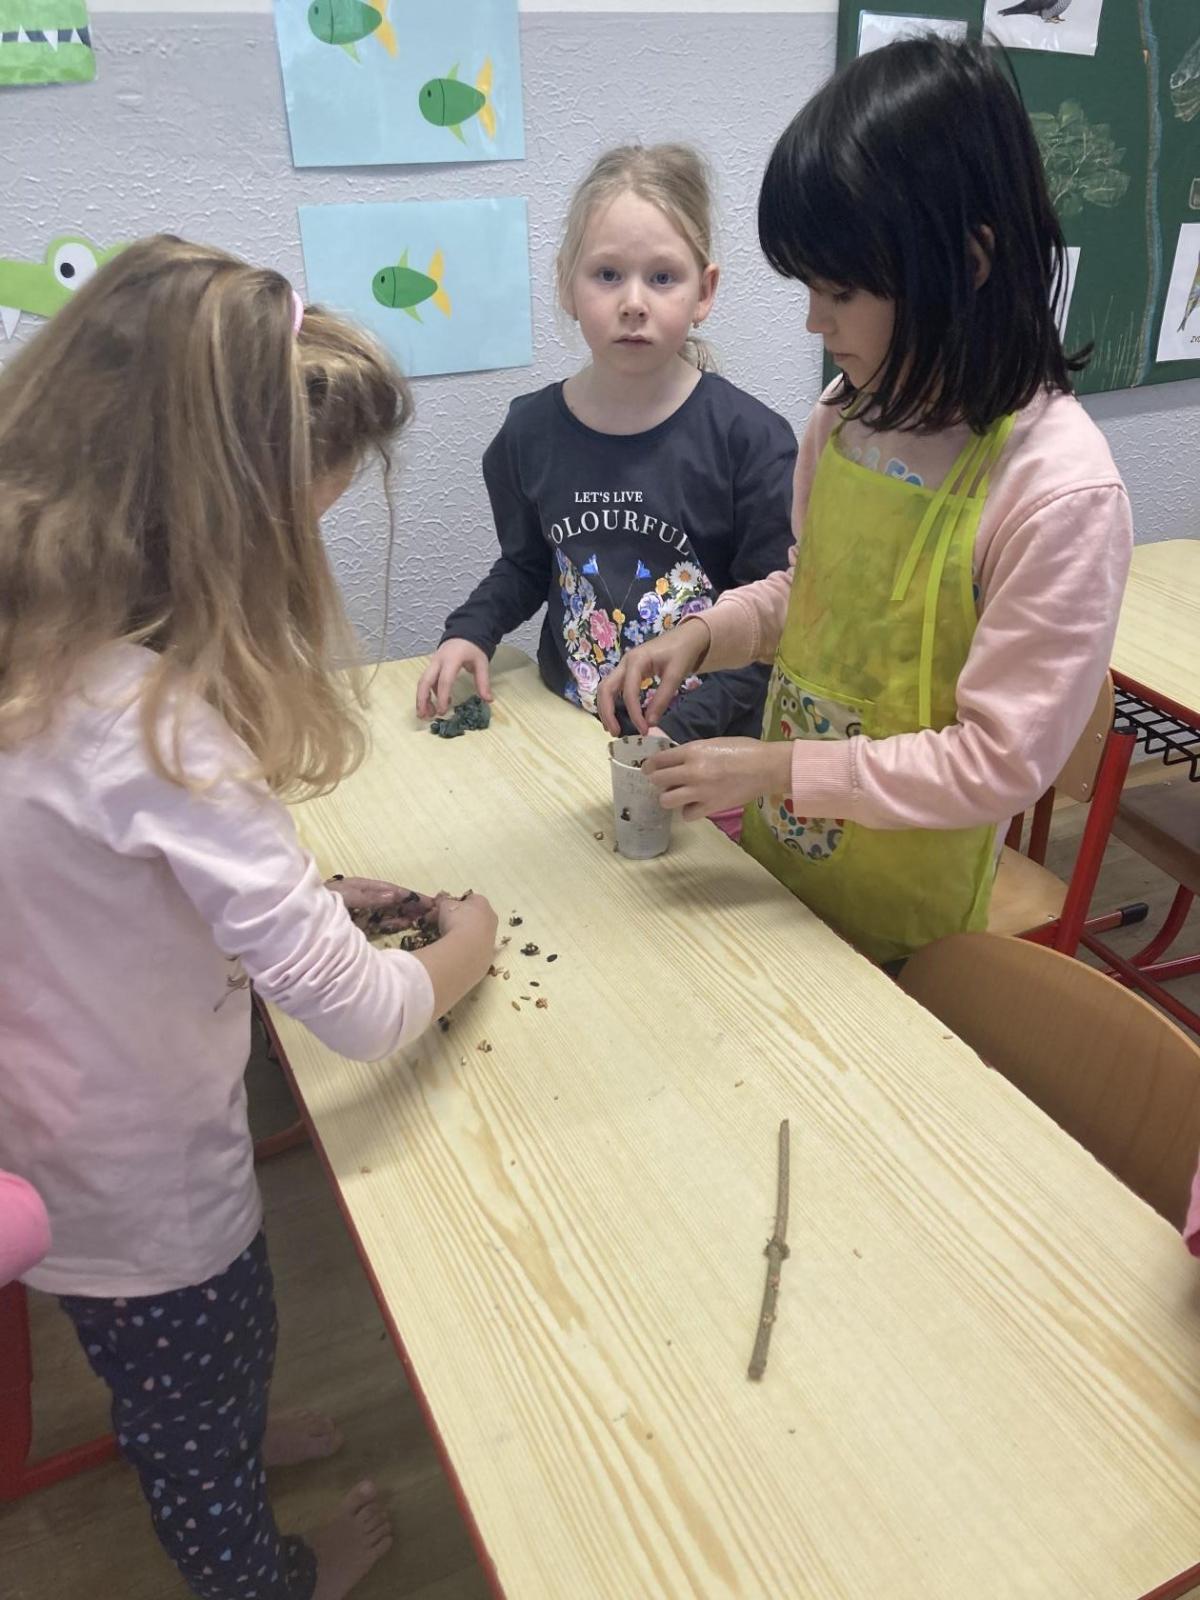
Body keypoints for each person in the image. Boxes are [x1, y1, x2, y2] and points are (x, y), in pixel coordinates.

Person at [0, 236, 498, 1600]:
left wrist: (307, 901)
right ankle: (262, 1568)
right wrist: (470, 937)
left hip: (51, 1146)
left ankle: (209, 1429)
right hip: (151, 1185)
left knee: (173, 1370)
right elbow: (367, 1012)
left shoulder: (34, 654)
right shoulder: (160, 730)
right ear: (217, 523)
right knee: (201, 1370)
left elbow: (96, 890)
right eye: (303, 526)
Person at [599, 38, 1132, 965]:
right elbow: (815, 594)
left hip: (910, 916)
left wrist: (777, 768)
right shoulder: (848, 418)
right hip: (782, 865)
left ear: (967, 262)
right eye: (811, 288)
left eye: (840, 290)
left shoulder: (1058, 492)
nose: (816, 322)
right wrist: (708, 635)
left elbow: (998, 762)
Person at [416, 142, 797, 743]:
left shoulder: (752, 441)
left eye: (663, 277)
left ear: (704, 292)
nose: (634, 303)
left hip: (704, 748)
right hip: (570, 732)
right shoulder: (528, 431)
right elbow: (527, 564)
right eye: (608, 275)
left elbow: (768, 632)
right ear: (567, 286)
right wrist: (471, 630)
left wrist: (672, 734)